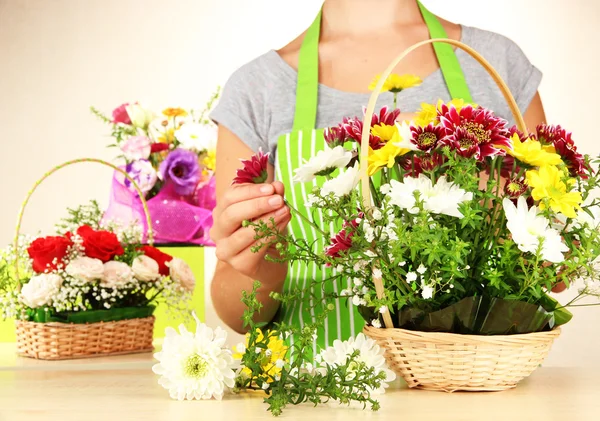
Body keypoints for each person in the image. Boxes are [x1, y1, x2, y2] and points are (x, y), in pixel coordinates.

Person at [208, 0, 547, 346]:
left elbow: (554, 271)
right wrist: (263, 267)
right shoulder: (256, 89)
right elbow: (237, 314)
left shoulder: (496, 66)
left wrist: (511, 217)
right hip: (321, 391)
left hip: (472, 389)